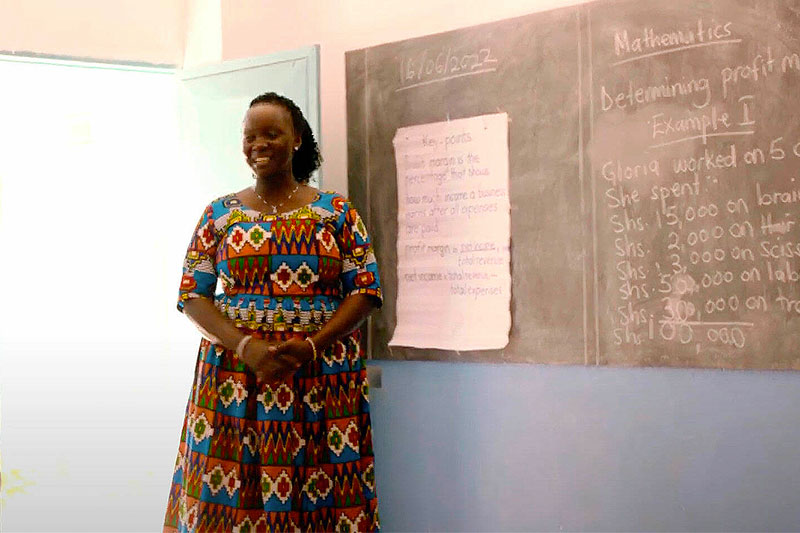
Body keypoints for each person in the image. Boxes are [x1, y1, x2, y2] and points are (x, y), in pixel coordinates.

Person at [163, 92, 382, 532]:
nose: (258, 144)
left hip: (321, 374)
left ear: (296, 139)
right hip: (234, 375)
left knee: (321, 486)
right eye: (250, 136)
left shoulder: (335, 212)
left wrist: (310, 346)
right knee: (230, 488)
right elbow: (192, 292)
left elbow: (366, 289)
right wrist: (247, 346)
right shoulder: (220, 214)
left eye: (271, 134)